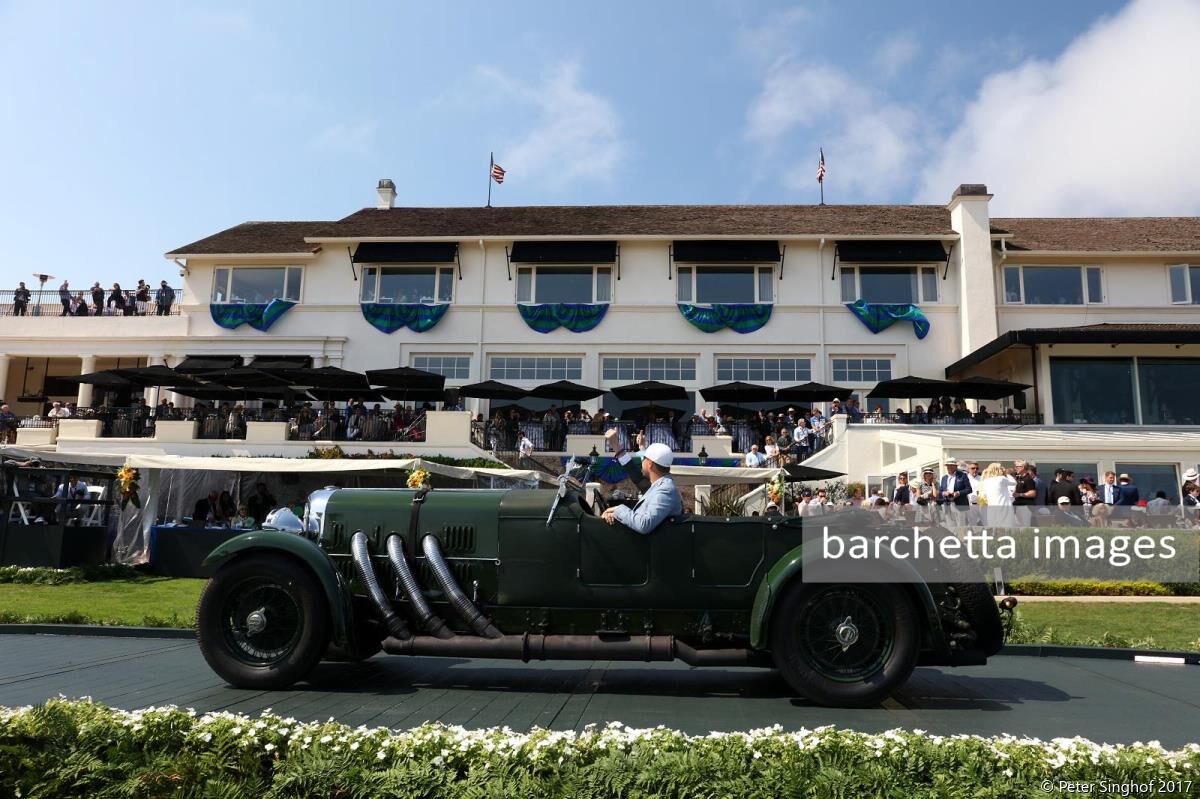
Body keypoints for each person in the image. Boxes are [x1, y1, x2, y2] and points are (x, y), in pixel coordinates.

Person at [600, 440, 682, 535]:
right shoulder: (659, 485)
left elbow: (644, 524)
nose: (641, 461)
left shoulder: (666, 489)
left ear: (650, 464)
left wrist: (618, 509)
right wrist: (615, 515)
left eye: (644, 459)